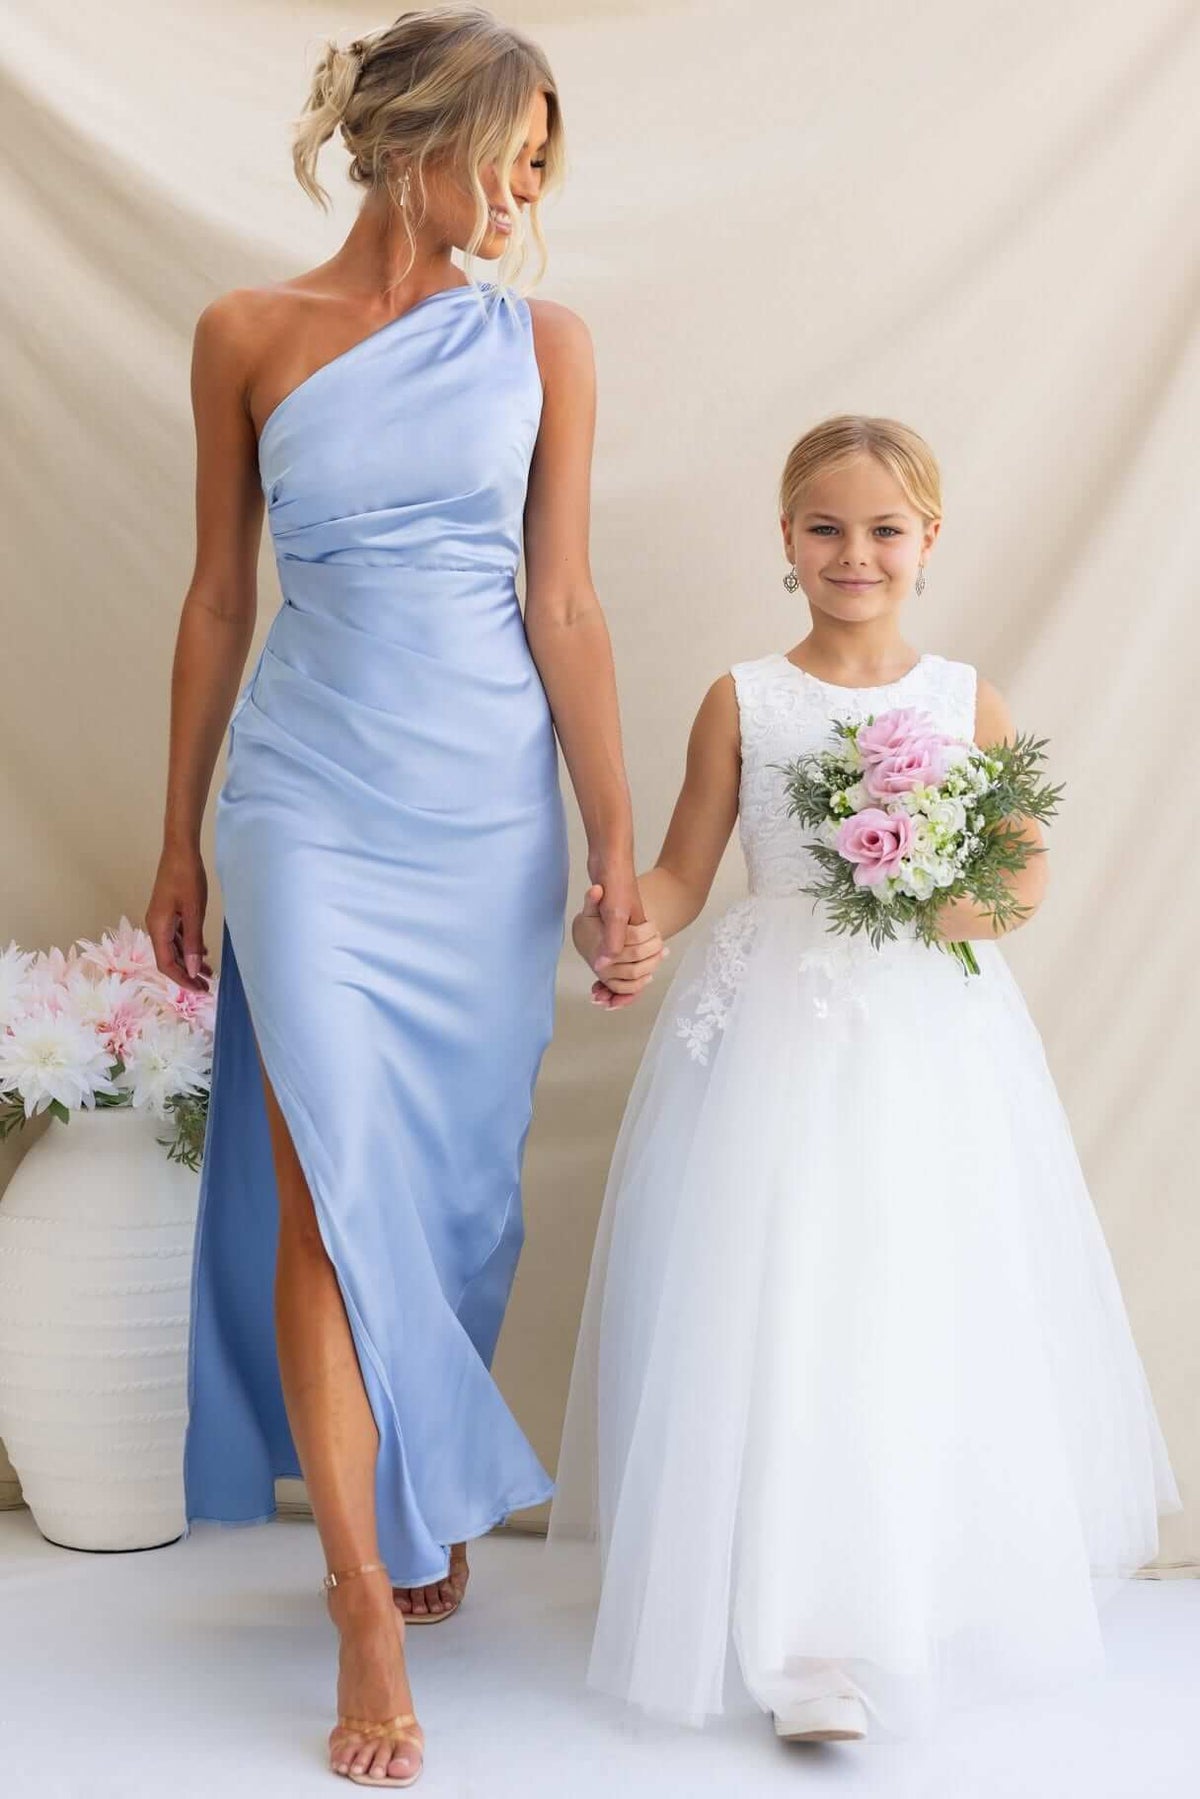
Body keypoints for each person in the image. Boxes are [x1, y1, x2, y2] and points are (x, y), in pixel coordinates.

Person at [145, 9, 641, 1787]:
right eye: (510, 153)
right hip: (303, 807)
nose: (525, 192)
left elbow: (563, 604)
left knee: (444, 1195)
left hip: (485, 816)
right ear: (416, 139)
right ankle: (360, 1590)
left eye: (538, 166)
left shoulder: (549, 346)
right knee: (323, 1188)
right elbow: (219, 598)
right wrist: (181, 832)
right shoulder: (247, 334)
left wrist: (611, 837)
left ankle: (417, 1494)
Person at [552, 414, 1180, 1743]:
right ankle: (797, 1635)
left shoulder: (963, 700)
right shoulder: (746, 699)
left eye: (884, 529)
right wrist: (633, 922)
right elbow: (683, 867)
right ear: (785, 542)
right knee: (785, 1296)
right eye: (825, 528)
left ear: (929, 542)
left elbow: (1020, 865)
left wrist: (963, 903)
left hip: (925, 1036)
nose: (855, 552)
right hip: (777, 1032)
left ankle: (909, 1584)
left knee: (916, 1291)